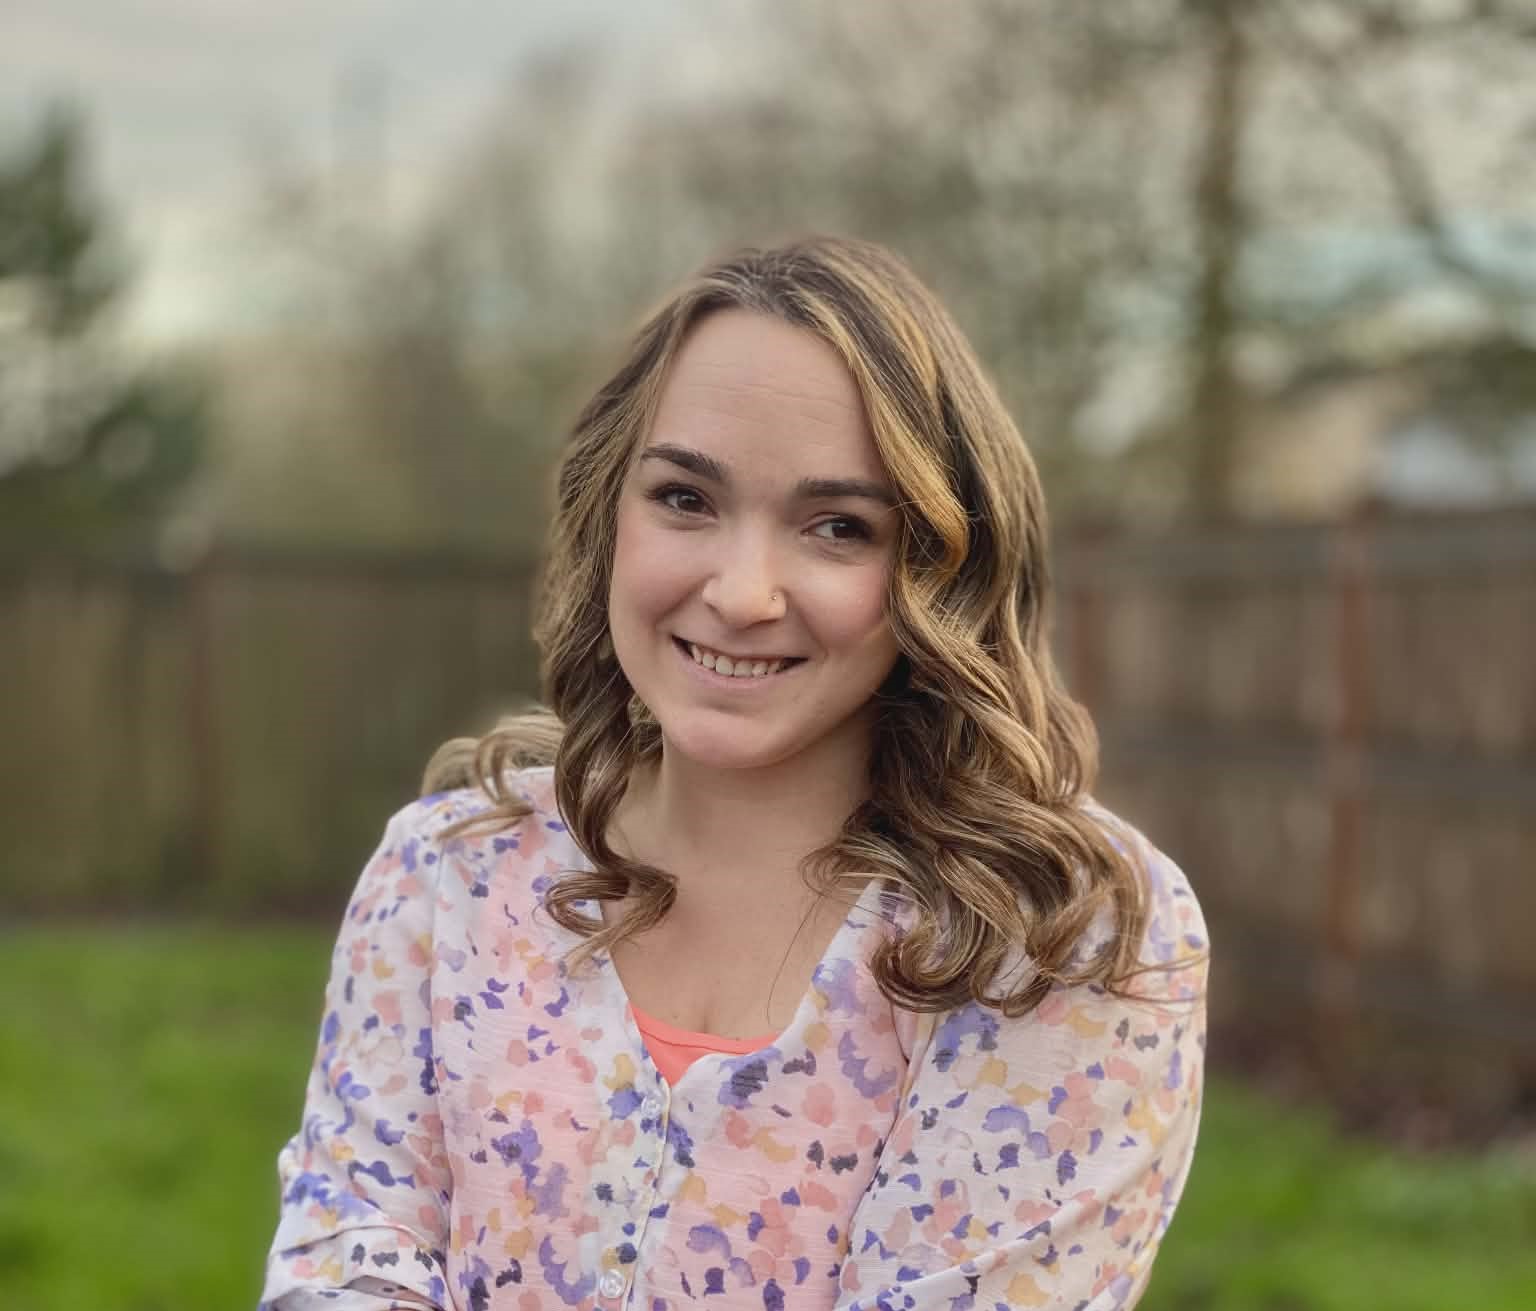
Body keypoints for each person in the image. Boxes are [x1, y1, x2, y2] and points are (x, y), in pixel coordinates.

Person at [259, 236, 1208, 1311]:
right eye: (685, 499)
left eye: (838, 527)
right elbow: (348, 1254)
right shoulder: (446, 872)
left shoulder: (1059, 935)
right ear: (609, 511)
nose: (743, 593)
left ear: (942, 572)